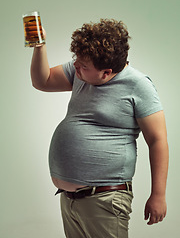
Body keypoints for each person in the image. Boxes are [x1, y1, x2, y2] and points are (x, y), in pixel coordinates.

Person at [30, 19, 169, 238]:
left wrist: (158, 195)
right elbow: (43, 80)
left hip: (105, 200)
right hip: (70, 200)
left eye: (83, 66)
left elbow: (157, 140)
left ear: (106, 72)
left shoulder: (139, 86)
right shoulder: (80, 71)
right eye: (77, 61)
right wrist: (40, 46)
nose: (75, 67)